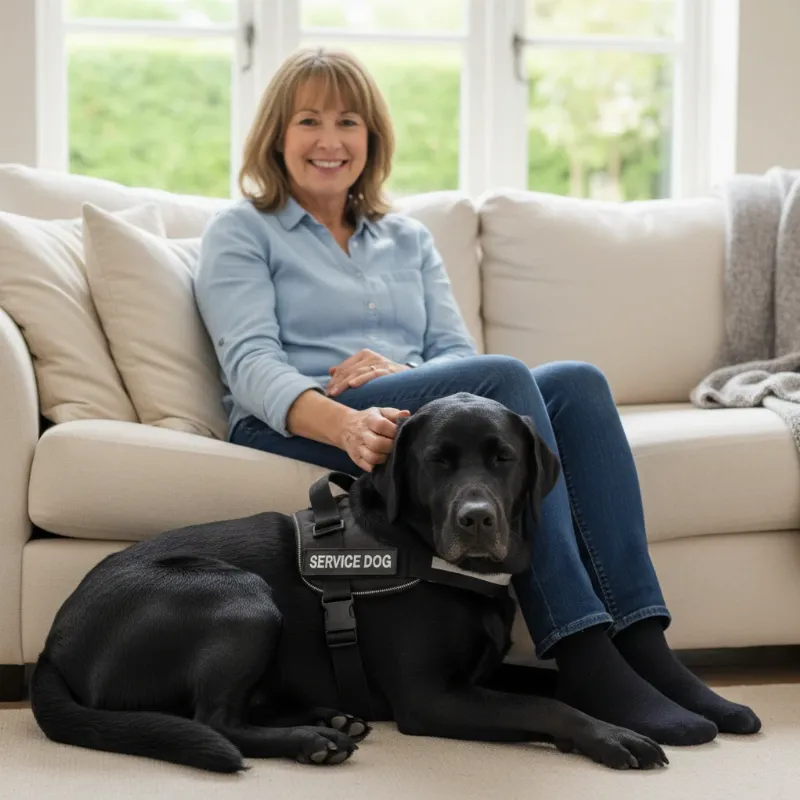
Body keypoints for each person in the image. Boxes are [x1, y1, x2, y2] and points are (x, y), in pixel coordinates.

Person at [195, 47, 761, 746]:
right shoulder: (242, 232)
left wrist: (397, 369)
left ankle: (642, 644)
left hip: (402, 407)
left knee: (577, 383)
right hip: (298, 417)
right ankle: (581, 651)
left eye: (348, 121)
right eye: (308, 120)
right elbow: (251, 364)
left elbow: (455, 362)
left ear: (371, 138)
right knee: (507, 380)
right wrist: (346, 423)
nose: (329, 140)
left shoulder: (406, 239)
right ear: (276, 136)